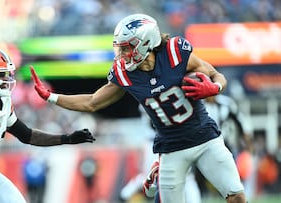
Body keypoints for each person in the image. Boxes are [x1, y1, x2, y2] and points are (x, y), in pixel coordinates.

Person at [30, 14, 247, 203]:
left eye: (127, 48)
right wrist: (52, 97)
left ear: (146, 42)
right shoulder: (125, 74)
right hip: (171, 149)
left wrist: (215, 87)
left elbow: (215, 74)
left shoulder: (175, 52)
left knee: (236, 195)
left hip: (205, 138)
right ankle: (154, 176)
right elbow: (92, 102)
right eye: (120, 48)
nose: (122, 55)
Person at [0, 46, 96, 203]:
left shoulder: (2, 101)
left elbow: (27, 135)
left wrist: (67, 139)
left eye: (7, 74)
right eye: (0, 75)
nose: (6, 80)